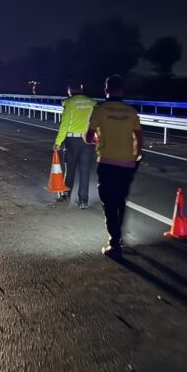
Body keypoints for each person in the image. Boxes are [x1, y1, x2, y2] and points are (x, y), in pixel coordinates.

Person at [84, 75, 143, 257]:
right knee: (120, 200)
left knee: (108, 202)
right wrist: (136, 157)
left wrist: (95, 138)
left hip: (107, 162)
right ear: (122, 90)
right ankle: (118, 237)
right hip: (127, 163)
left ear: (106, 90)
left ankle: (114, 241)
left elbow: (88, 138)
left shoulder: (100, 111)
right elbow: (139, 140)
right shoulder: (131, 112)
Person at [54, 80, 97, 208]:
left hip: (72, 141)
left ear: (69, 90)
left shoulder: (69, 103)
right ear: (82, 89)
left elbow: (65, 125)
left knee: (70, 169)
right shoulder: (92, 103)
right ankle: (83, 201)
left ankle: (66, 195)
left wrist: (58, 142)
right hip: (88, 141)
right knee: (85, 172)